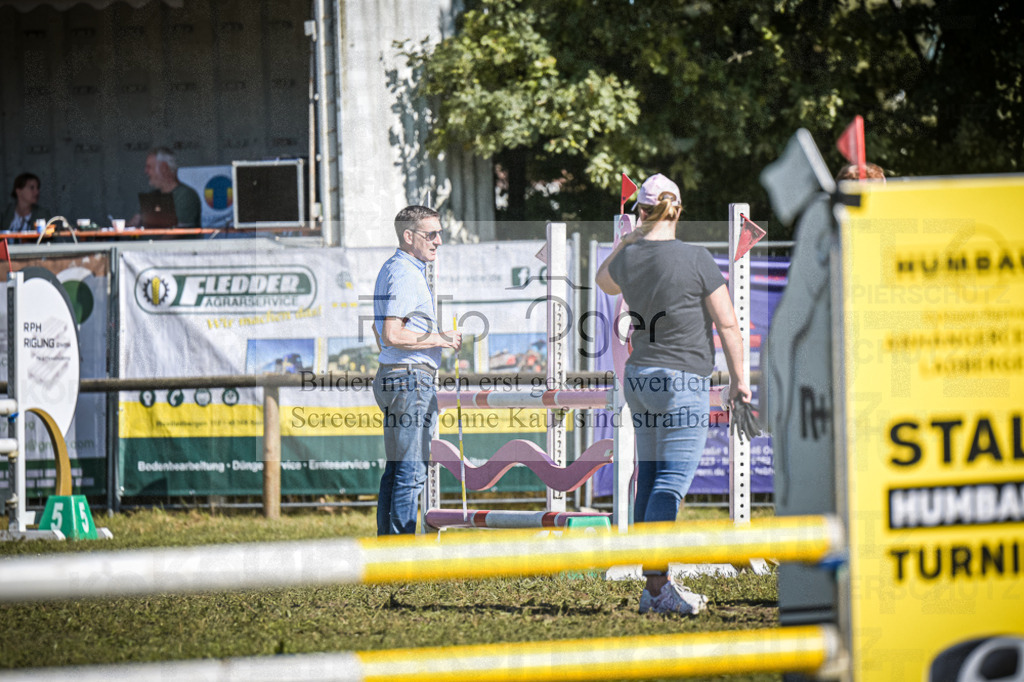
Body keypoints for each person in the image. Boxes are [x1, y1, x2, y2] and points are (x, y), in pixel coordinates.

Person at [596, 173, 752, 615]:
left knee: (649, 476)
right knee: (670, 482)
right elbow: (726, 323)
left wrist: (626, 240)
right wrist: (740, 380)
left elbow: (603, 282)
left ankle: (652, 588)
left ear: (639, 213)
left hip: (640, 379)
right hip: (681, 379)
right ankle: (658, 585)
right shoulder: (697, 257)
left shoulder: (628, 256)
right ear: (677, 210)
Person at [372, 205, 461, 535]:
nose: (438, 241)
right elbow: (392, 333)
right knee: (410, 472)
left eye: (440, 233)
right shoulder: (407, 274)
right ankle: (401, 559)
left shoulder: (392, 268)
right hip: (409, 380)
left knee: (396, 471)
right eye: (431, 234)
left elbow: (381, 335)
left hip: (394, 376)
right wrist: (442, 338)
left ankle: (388, 554)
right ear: (409, 237)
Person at [129, 147, 202, 227]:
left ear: (164, 168)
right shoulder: (152, 196)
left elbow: (176, 232)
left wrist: (153, 240)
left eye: (149, 167)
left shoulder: (186, 196)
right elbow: (134, 224)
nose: (146, 171)